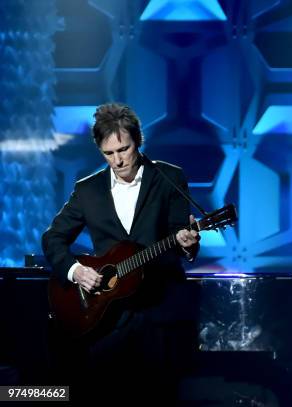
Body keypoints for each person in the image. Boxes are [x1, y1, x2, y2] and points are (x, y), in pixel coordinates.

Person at [42, 103, 201, 404]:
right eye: (108, 154)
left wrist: (188, 243)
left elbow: (182, 239)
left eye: (124, 150)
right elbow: (53, 238)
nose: (117, 160)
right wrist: (76, 270)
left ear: (138, 142)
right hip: (105, 319)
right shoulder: (87, 190)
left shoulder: (169, 178)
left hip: (159, 316)